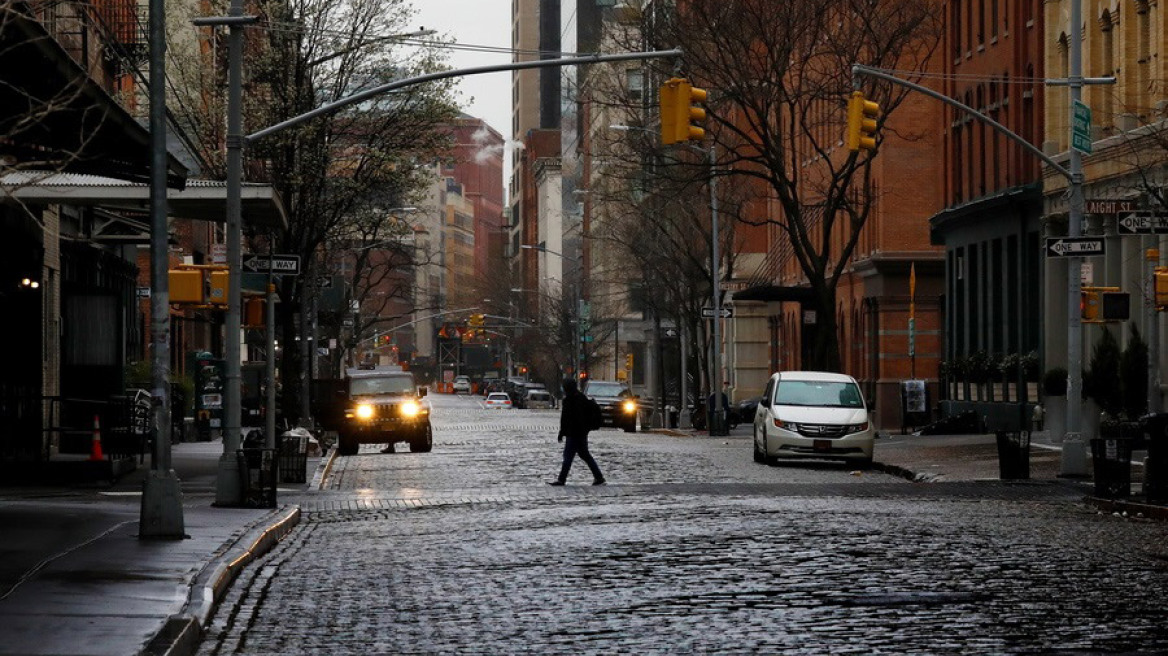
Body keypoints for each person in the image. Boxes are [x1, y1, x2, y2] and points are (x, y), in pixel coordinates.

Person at [548, 378, 605, 486]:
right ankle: (599, 477)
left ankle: (561, 479)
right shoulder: (581, 398)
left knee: (568, 456)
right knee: (585, 455)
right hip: (582, 432)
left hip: (573, 433)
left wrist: (562, 433)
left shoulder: (569, 400)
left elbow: (565, 419)